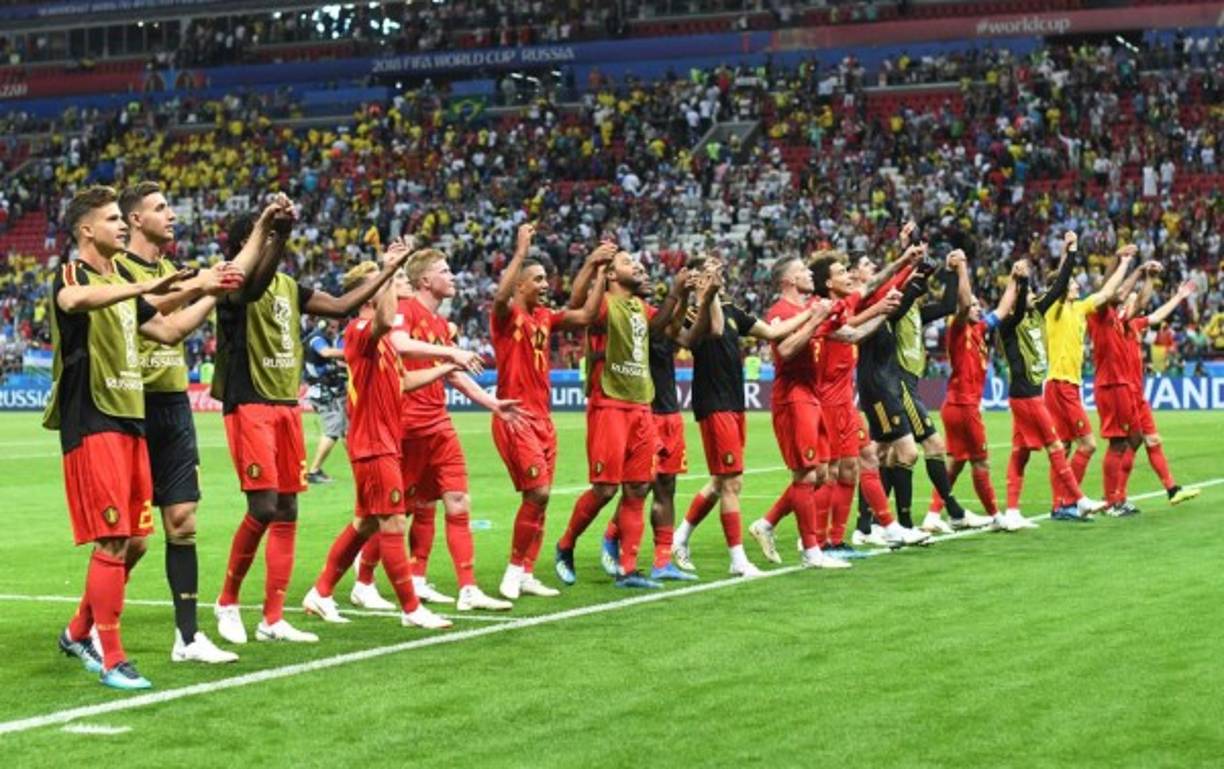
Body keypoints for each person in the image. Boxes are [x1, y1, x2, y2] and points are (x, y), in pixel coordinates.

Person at [50, 185, 236, 689]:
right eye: (112, 219)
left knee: (134, 540)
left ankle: (77, 632)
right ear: (87, 229)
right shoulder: (74, 273)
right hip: (94, 418)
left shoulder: (121, 289)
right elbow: (75, 299)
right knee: (113, 538)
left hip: (132, 419)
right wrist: (146, 287)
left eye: (120, 218)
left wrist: (210, 292)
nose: (119, 226)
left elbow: (170, 331)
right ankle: (112, 659)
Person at [212, 195, 413, 645]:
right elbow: (252, 286)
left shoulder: (289, 285)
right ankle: (227, 601)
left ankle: (273, 617)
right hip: (249, 400)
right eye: (264, 237)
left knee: (287, 509)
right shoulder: (229, 281)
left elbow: (341, 307)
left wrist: (387, 270)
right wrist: (279, 234)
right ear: (247, 243)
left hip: (287, 403)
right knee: (263, 507)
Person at [353, 245, 521, 612]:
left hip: (438, 423)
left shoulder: (441, 324)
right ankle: (363, 580)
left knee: (456, 499)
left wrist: (491, 403)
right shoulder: (405, 310)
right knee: (394, 512)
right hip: (407, 426)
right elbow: (399, 345)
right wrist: (450, 354)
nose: (453, 276)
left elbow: (455, 374)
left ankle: (467, 588)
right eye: (444, 271)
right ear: (426, 280)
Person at [112, 180, 240, 665]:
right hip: (131, 407)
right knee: (132, 541)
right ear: (135, 219)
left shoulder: (171, 271)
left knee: (183, 522)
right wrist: (206, 288)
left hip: (172, 405)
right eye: (161, 207)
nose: (172, 215)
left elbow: (180, 324)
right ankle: (88, 625)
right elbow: (165, 328)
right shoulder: (117, 272)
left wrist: (212, 288)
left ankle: (188, 637)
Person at [300, 256, 458, 630]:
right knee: (392, 521)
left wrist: (448, 364)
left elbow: (403, 382)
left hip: (385, 440)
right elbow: (385, 319)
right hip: (372, 443)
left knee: (366, 523)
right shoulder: (359, 330)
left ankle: (320, 593)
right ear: (368, 293)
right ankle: (411, 609)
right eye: (390, 279)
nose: (399, 281)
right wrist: (388, 271)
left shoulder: (383, 339)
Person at [670, 256, 831, 576]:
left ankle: (680, 537)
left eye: (718, 266)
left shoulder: (732, 309)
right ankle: (738, 560)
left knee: (721, 481)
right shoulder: (690, 313)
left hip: (734, 401)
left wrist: (811, 315)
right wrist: (707, 294)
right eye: (710, 268)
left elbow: (772, 332)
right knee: (732, 482)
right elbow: (713, 330)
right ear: (697, 277)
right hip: (713, 401)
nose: (719, 270)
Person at [490, 224, 608, 600]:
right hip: (516, 417)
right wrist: (520, 252)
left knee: (542, 500)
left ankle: (526, 572)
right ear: (520, 284)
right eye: (538, 279)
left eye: (546, 279)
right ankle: (512, 571)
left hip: (544, 420)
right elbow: (499, 297)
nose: (545, 285)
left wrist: (599, 271)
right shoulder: (506, 316)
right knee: (537, 494)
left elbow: (586, 315)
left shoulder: (545, 316)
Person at [855, 243, 990, 539]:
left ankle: (872, 523)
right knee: (931, 445)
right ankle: (946, 512)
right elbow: (904, 288)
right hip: (898, 381)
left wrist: (952, 272)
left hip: (908, 382)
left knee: (887, 453)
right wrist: (918, 264)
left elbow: (948, 305)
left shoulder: (915, 312)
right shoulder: (896, 308)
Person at [553, 248, 664, 589]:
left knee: (639, 487)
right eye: (628, 262)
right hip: (609, 403)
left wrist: (683, 291)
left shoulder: (640, 307)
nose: (638, 265)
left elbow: (670, 326)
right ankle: (566, 544)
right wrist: (593, 265)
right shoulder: (602, 303)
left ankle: (628, 569)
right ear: (612, 274)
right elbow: (576, 304)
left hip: (641, 404)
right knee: (604, 489)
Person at [997, 231, 1105, 527]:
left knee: (1020, 453)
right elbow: (1022, 302)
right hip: (1026, 395)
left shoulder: (1037, 314)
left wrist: (1071, 251)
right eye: (1031, 293)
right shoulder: (1012, 322)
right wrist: (1021, 281)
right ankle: (1078, 500)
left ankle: (1012, 512)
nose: (1036, 296)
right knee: (1056, 447)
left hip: (1031, 392)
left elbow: (1059, 285)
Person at [1091, 265, 1201, 513]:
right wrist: (1141, 274)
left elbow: (1155, 314)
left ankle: (1166, 490)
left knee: (1144, 439)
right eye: (1130, 300)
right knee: (1123, 442)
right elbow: (1139, 301)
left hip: (1135, 393)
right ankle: (1114, 498)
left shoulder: (1133, 324)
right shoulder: (1115, 321)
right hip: (1121, 389)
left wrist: (1178, 297)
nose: (1136, 303)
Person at [923, 255, 1020, 529]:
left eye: (979, 305)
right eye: (974, 305)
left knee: (956, 462)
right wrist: (963, 268)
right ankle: (997, 517)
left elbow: (1002, 309)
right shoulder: (958, 328)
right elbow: (964, 304)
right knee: (981, 462)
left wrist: (1014, 279)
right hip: (963, 406)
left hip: (956, 405)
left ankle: (933, 515)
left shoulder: (980, 329)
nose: (977, 308)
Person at [1041, 244, 1136, 486]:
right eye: (1073, 283)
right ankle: (1070, 498)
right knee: (1088, 444)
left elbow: (1107, 291)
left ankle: (1062, 501)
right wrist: (1069, 250)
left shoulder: (1080, 308)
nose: (1077, 286)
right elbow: (1060, 282)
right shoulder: (1054, 309)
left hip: (1069, 385)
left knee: (1064, 446)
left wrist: (1124, 263)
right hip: (1060, 384)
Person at [303, 318, 348, 484]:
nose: (335, 329)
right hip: (325, 392)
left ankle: (359, 466)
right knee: (332, 431)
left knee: (346, 431)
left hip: (331, 390)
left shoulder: (327, 338)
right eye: (333, 326)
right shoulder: (317, 338)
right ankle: (313, 471)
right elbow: (326, 353)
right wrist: (353, 351)